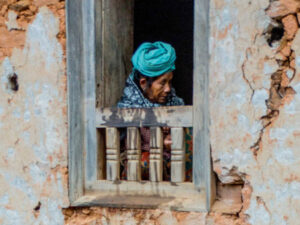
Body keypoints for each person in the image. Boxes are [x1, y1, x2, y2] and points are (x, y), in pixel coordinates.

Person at [117, 41, 192, 180]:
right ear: (143, 83)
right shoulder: (128, 107)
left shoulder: (175, 103)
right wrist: (162, 143)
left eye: (170, 82)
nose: (168, 89)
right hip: (146, 171)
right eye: (162, 83)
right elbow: (129, 146)